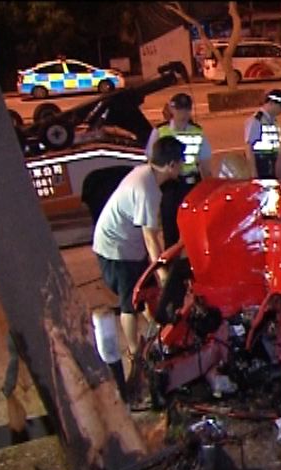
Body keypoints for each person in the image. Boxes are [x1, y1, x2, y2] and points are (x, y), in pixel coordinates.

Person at [93, 136, 185, 396]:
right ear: (170, 165)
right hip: (116, 249)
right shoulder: (148, 190)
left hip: (126, 246)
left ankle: (157, 332)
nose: (182, 168)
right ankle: (134, 353)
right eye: (180, 163)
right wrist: (162, 271)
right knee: (129, 303)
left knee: (145, 293)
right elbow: (150, 237)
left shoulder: (145, 174)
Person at [145, 92, 213, 248]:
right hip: (169, 185)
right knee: (170, 226)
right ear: (171, 110)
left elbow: (205, 163)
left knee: (193, 226)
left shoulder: (197, 131)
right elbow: (151, 161)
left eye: (186, 110)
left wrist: (208, 187)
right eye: (179, 110)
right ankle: (172, 264)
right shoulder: (160, 131)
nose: (183, 114)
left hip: (190, 183)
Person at [244, 88, 281, 178]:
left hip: (272, 166)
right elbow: (249, 148)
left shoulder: (273, 120)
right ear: (271, 103)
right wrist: (254, 174)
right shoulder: (256, 120)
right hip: (261, 166)